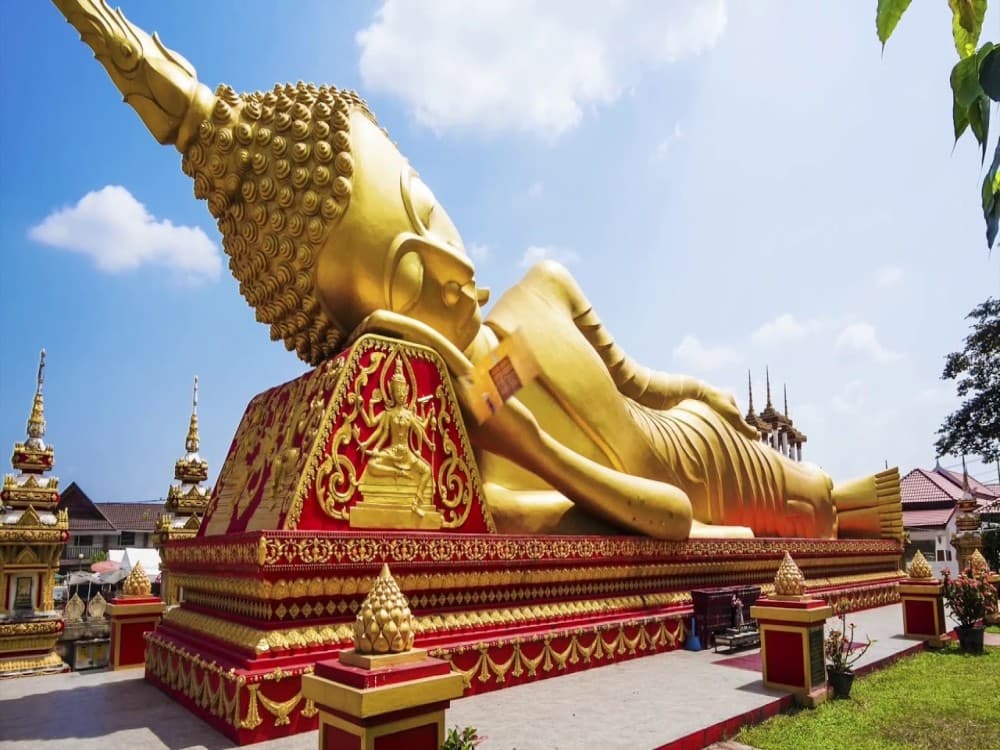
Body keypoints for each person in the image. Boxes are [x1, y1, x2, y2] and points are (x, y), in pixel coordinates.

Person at [55, 0, 902, 541]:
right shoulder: (478, 455)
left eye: (423, 205)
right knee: (818, 507)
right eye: (409, 276)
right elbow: (672, 521)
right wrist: (528, 445)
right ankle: (847, 507)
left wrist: (699, 392)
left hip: (705, 437)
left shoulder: (544, 287)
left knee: (824, 489)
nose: (452, 263)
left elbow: (637, 379)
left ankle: (850, 501)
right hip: (716, 500)